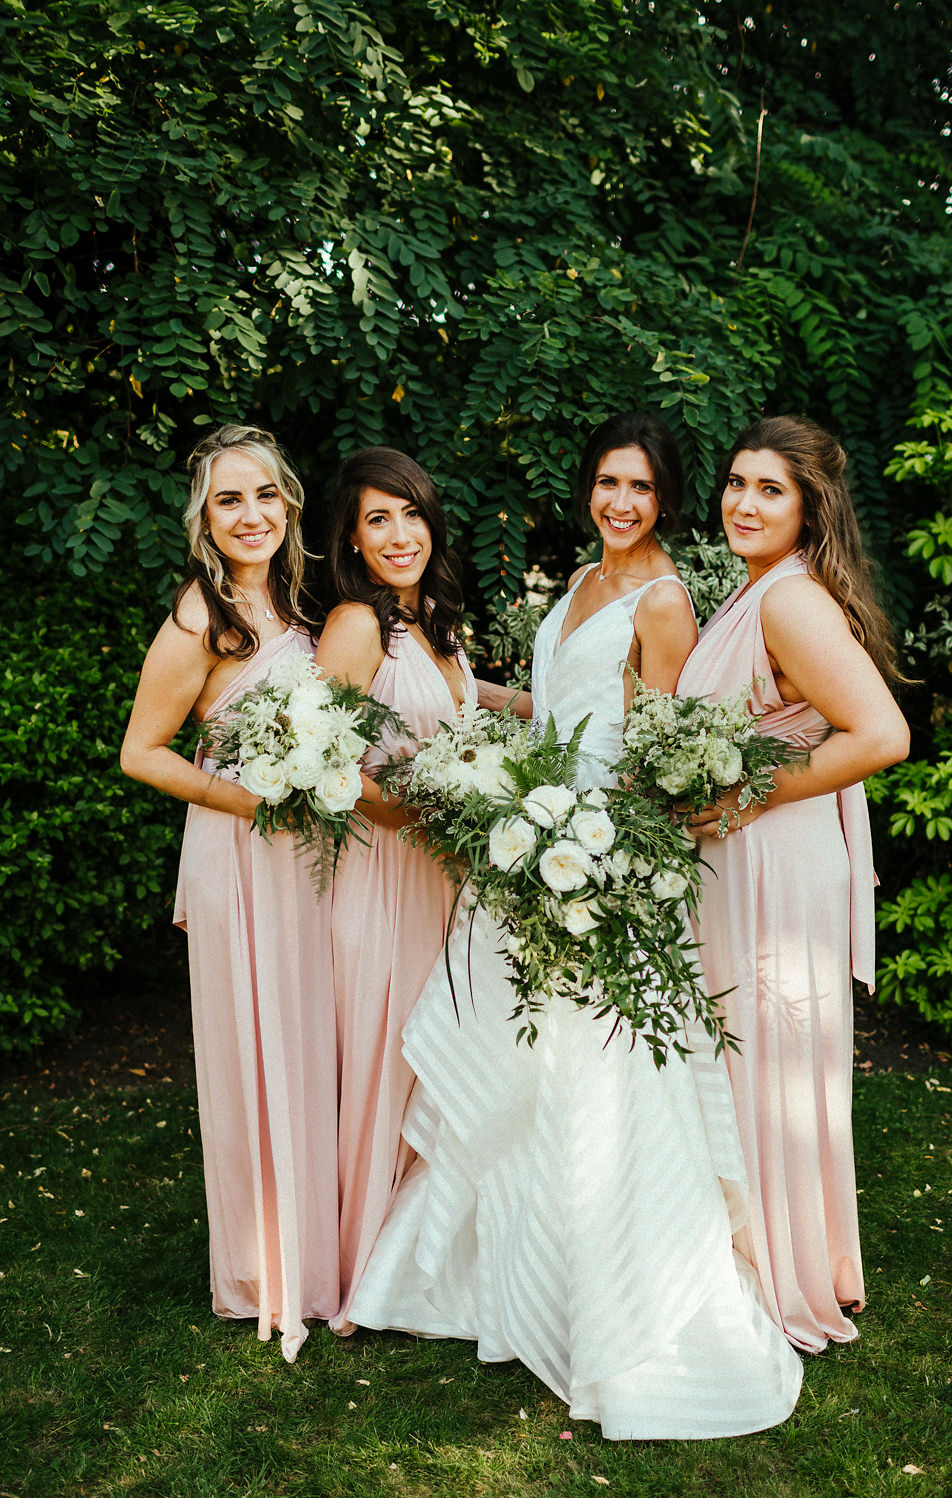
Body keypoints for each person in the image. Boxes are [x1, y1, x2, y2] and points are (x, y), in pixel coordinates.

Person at [347, 412, 804, 1439]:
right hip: (532, 846)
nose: (619, 503)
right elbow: (561, 703)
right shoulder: (579, 581)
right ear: (588, 488)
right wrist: (475, 720)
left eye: (639, 488)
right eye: (605, 482)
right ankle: (499, 1277)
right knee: (522, 1075)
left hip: (596, 865)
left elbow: (654, 747)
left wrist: (594, 844)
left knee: (599, 1083)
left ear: (666, 499)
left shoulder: (663, 598)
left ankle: (610, 1302)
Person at [677, 414, 911, 1354]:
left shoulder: (788, 601)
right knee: (754, 1064)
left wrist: (740, 796)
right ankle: (779, 1259)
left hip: (775, 856)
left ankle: (778, 1277)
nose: (744, 502)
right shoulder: (758, 592)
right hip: (752, 852)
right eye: (736, 483)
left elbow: (881, 736)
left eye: (770, 489)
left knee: (766, 1062)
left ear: (810, 508)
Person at [120, 423, 339, 1361]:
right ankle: (262, 1265)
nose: (250, 515)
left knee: (316, 1039)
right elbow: (141, 752)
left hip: (313, 857)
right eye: (228, 500)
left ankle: (327, 1246)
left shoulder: (313, 604)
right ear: (204, 520)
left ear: (288, 503)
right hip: (240, 851)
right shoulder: (199, 617)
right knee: (253, 1048)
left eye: (263, 496)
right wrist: (246, 800)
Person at [313, 449, 475, 1335]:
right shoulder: (355, 625)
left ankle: (419, 1248)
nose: (398, 534)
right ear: (350, 536)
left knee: (427, 1053)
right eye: (377, 519)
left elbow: (456, 707)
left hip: (441, 881)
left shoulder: (433, 624)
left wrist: (539, 707)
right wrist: (416, 820)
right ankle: (360, 1257)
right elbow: (319, 763)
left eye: (409, 513)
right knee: (381, 1053)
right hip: (382, 872)